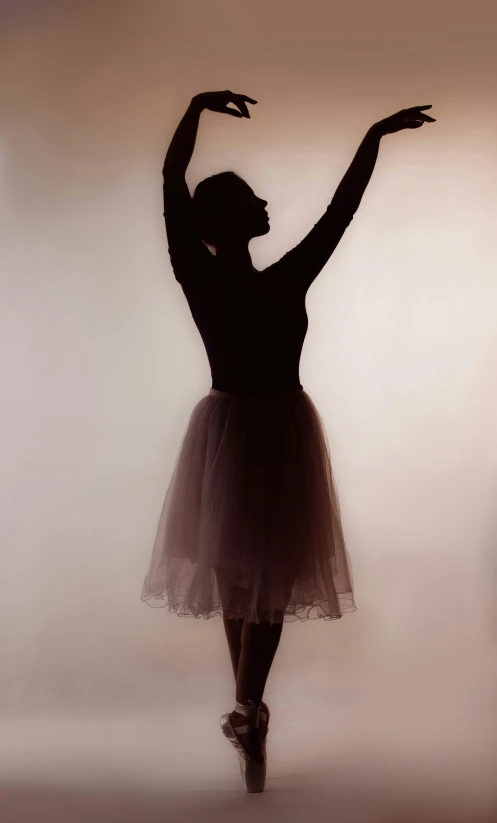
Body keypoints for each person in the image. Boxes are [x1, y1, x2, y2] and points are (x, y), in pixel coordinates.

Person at [141, 91, 435, 792]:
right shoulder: (199, 272)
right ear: (217, 222)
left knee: (264, 576)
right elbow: (170, 181)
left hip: (277, 429)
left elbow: (341, 210)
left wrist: (371, 134)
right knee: (232, 575)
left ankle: (246, 706)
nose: (261, 201)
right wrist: (191, 107)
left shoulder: (286, 276)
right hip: (230, 428)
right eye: (246, 196)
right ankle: (250, 710)